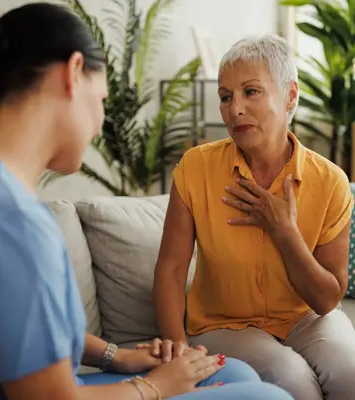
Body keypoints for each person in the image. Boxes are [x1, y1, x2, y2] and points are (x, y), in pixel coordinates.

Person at [0, 4, 294, 400]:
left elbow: (14, 321)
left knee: (235, 372)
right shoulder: (12, 223)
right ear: (72, 73)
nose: (99, 123)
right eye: (101, 100)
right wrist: (151, 386)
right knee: (270, 397)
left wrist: (118, 357)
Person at [152, 33, 355, 400]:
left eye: (251, 92)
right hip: (222, 324)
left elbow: (326, 301)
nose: (235, 109)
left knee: (350, 370)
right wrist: (177, 353)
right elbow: (170, 271)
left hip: (305, 316)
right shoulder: (195, 168)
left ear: (290, 94)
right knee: (293, 381)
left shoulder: (330, 182)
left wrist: (284, 231)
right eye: (226, 97)